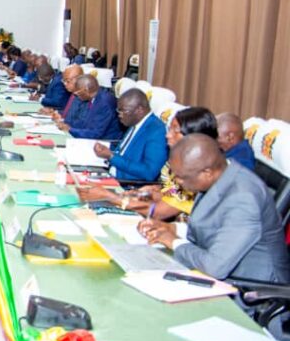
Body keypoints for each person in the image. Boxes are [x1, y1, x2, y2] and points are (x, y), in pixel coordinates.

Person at [138, 135, 289, 284]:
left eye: (181, 177)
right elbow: (215, 228)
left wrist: (172, 241)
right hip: (217, 274)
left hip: (249, 294)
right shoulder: (222, 175)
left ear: (207, 173)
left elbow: (214, 267)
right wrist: (171, 228)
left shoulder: (243, 197)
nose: (177, 182)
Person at [82, 106, 220, 217]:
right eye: (169, 129)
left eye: (175, 131)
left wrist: (109, 196)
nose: (168, 135)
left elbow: (162, 212)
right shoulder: (177, 158)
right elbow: (172, 192)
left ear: (194, 136)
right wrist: (154, 191)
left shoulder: (196, 169)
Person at [91, 89, 168, 181]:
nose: (120, 115)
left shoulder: (157, 131)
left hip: (127, 184)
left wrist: (111, 156)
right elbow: (124, 151)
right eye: (118, 111)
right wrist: (106, 150)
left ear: (139, 110)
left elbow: (149, 172)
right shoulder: (136, 121)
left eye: (124, 111)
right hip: (110, 173)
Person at [56, 74, 122, 140]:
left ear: (86, 90)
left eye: (78, 93)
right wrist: (66, 123)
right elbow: (85, 123)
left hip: (105, 143)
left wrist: (70, 129)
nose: (76, 95)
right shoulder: (93, 98)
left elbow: (96, 133)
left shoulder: (104, 102)